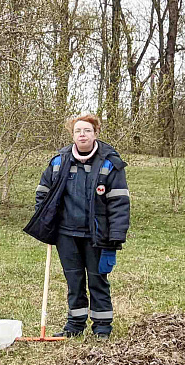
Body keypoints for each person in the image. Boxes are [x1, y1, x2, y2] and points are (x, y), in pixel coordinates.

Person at [23, 113, 131, 338]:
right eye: (78, 131)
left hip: (98, 235)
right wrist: (45, 220)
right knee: (74, 282)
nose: (82, 135)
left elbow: (120, 202)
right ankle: (74, 326)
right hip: (66, 235)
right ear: (72, 135)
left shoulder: (110, 163)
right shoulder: (59, 161)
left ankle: (102, 328)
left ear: (96, 133)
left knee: (97, 280)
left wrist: (116, 235)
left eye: (87, 131)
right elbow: (43, 193)